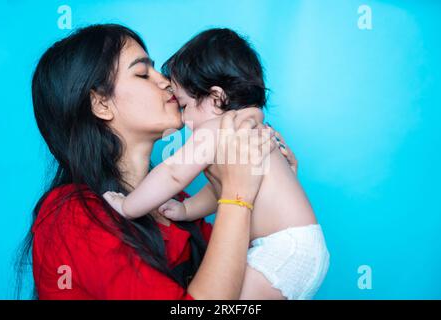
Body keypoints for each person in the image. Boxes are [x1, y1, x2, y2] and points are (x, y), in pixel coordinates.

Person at [21, 24, 289, 300]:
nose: (165, 81)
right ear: (101, 104)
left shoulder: (176, 205)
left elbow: (250, 281)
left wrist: (273, 187)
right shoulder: (72, 216)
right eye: (142, 73)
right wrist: (237, 194)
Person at [103, 28, 330, 300]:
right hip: (300, 248)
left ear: (216, 98)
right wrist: (186, 209)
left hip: (279, 250)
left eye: (185, 105)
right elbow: (222, 190)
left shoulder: (219, 128)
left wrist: (128, 206)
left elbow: (174, 173)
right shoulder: (254, 129)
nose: (184, 119)